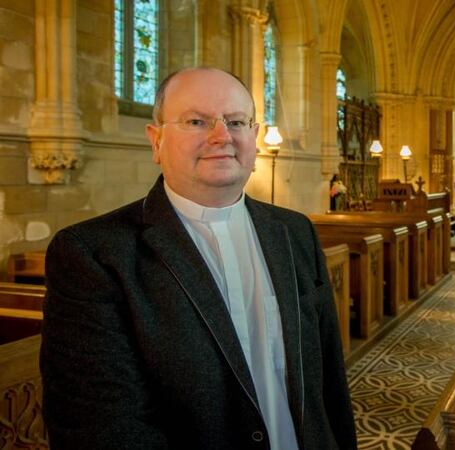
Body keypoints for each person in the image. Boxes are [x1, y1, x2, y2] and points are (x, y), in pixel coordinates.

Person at [40, 67, 357, 449]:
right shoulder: (95, 254)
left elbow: (329, 385)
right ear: (156, 141)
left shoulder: (295, 233)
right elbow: (101, 429)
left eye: (236, 121)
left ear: (254, 138)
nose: (221, 136)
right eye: (196, 121)